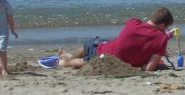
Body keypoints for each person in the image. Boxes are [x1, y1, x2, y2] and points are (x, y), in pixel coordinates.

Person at [39, 7, 174, 71]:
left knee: (90, 44)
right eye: (166, 28)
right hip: (113, 59)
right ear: (162, 25)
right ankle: (66, 60)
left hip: (105, 52)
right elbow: (148, 68)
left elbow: (137, 38)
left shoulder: (133, 22)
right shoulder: (161, 39)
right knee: (88, 58)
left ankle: (65, 61)